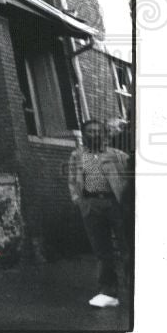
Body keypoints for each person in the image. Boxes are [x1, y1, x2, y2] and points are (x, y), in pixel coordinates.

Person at [67, 119, 131, 308]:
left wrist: (127, 201)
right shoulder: (77, 156)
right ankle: (108, 291)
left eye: (98, 131)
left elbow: (130, 175)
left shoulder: (117, 155)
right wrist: (78, 201)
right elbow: (72, 180)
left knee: (127, 246)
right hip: (91, 204)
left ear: (103, 134)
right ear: (84, 135)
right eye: (90, 131)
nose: (94, 134)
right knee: (102, 250)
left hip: (115, 204)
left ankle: (134, 286)